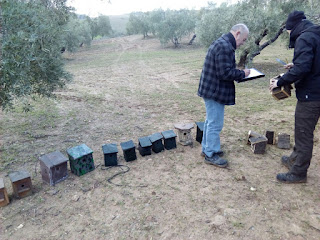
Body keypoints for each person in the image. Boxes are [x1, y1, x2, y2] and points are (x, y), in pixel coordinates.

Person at [269, 10, 320, 183]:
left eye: (288, 31)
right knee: (301, 131)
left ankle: (298, 173)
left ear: (293, 27)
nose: (289, 34)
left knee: (303, 133)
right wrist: (296, 64)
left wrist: (280, 81)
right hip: (316, 90)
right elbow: (313, 62)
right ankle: (294, 159)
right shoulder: (316, 34)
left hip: (311, 95)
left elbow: (303, 69)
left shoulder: (304, 38)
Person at [198, 24, 250, 168]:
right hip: (214, 91)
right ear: (238, 33)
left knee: (210, 122)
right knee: (215, 124)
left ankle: (206, 149)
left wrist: (238, 73)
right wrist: (242, 73)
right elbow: (224, 73)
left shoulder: (223, 42)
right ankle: (210, 154)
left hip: (211, 89)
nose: (242, 43)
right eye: (244, 40)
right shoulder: (224, 46)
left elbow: (223, 69)